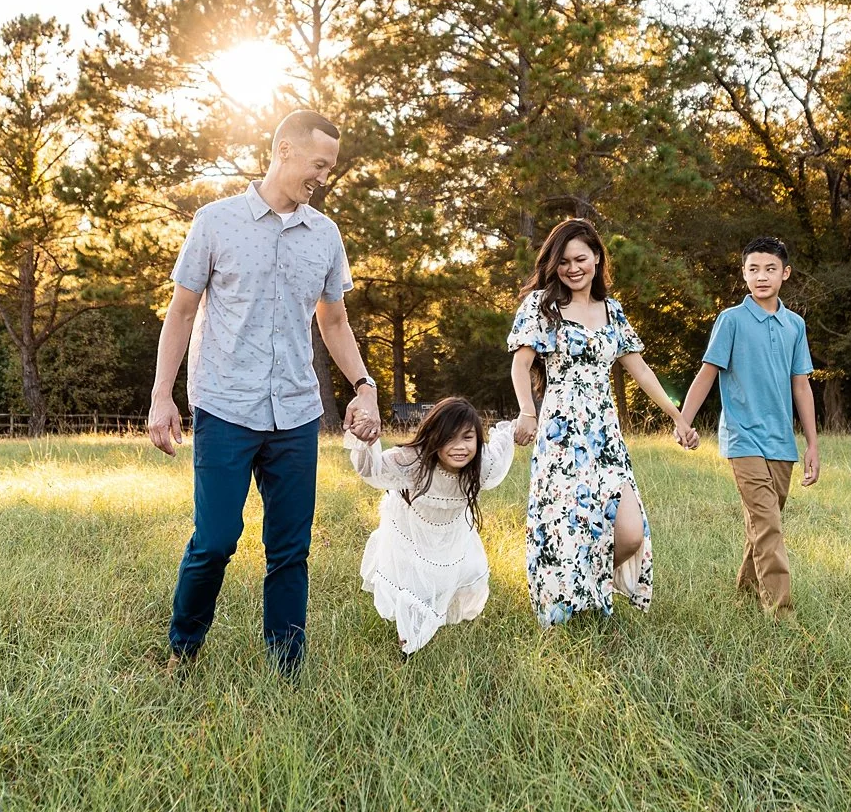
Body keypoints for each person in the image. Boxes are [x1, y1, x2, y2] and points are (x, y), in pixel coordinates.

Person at [147, 110, 381, 676]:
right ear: (283, 151)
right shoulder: (215, 222)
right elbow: (180, 314)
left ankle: (286, 667)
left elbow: (335, 323)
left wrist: (364, 386)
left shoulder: (325, 235)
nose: (324, 176)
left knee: (291, 548)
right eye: (319, 164)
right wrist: (162, 396)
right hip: (226, 404)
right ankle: (183, 652)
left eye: (330, 167)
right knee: (217, 539)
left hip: (297, 411)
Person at [508, 218, 699, 626]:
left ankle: (587, 582)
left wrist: (678, 417)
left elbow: (641, 370)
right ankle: (564, 603)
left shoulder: (613, 311)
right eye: (563, 262)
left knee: (629, 531)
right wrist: (528, 411)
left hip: (605, 433)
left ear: (597, 257)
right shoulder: (543, 307)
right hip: (560, 432)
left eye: (580, 258)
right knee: (564, 525)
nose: (572, 268)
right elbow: (521, 363)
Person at [675, 236, 820, 616]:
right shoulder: (732, 320)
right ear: (743, 274)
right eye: (753, 269)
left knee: (763, 523)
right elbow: (707, 373)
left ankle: (744, 590)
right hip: (743, 439)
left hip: (782, 443)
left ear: (785, 274)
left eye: (770, 269)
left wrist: (812, 445)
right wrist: (682, 420)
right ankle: (780, 612)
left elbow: (801, 385)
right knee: (769, 524)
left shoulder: (795, 325)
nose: (761, 276)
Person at [346, 396, 516, 655]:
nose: (460, 447)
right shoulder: (413, 461)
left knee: (466, 571)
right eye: (449, 438)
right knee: (413, 584)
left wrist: (516, 427)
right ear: (435, 438)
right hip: (409, 531)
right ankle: (408, 643)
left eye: (467, 438)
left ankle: (435, 622)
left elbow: (501, 451)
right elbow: (371, 469)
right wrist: (365, 442)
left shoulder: (482, 465)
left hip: (452, 532)